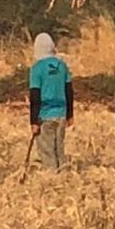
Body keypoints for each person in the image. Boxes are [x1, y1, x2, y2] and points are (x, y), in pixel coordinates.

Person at [29, 32, 73, 172]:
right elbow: (69, 91)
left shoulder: (37, 68)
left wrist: (34, 121)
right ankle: (65, 177)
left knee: (47, 152)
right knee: (59, 149)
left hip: (45, 115)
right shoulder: (62, 66)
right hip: (61, 114)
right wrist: (70, 114)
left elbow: (35, 96)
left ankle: (52, 181)